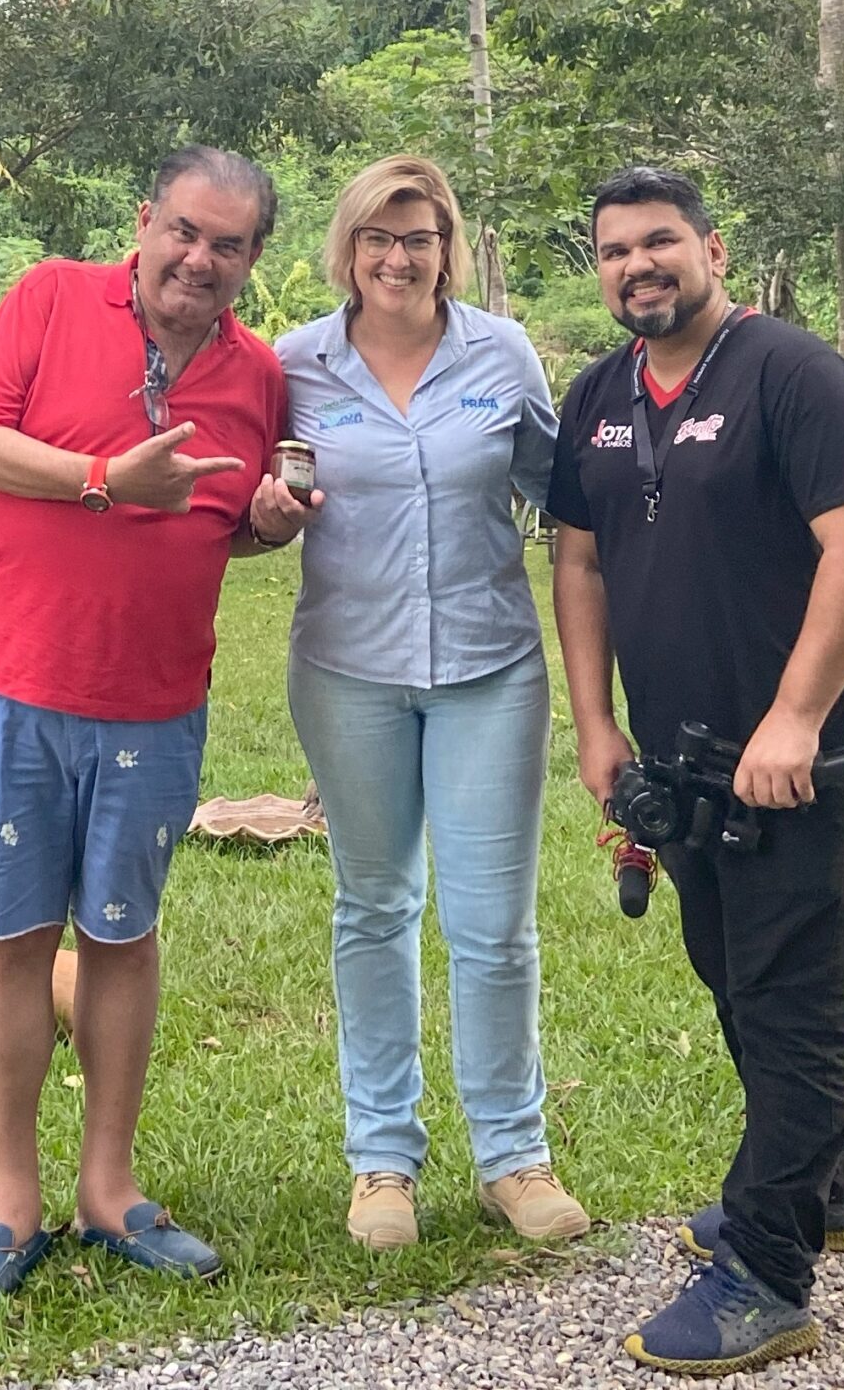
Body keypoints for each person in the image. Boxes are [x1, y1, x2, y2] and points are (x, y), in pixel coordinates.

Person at [546, 166, 844, 1376]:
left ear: (710, 247)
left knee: (792, 996)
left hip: (798, 760)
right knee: (732, 976)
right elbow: (581, 565)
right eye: (613, 252)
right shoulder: (596, 395)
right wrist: (596, 727)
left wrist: (795, 718)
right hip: (680, 762)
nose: (637, 266)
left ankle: (765, 1269)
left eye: (659, 243)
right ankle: (824, 1180)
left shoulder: (791, 374)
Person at [0, 146, 291, 1308]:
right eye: (184, 230)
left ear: (249, 261)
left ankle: (109, 1190)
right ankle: (8, 1201)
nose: (199, 258)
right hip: (5, 685)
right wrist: (99, 479)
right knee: (11, 939)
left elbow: (218, 521)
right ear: (144, 221)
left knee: (122, 937)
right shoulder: (45, 295)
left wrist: (272, 524)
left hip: (153, 701)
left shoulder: (256, 373)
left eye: (226, 245)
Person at [250, 155, 590, 1254]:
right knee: (374, 906)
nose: (398, 259)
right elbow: (254, 502)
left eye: (420, 238)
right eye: (377, 239)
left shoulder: (501, 352)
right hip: (348, 670)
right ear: (345, 250)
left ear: (449, 246)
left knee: (491, 928)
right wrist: (265, 510)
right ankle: (381, 1162)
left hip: (491, 667)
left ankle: (512, 1157)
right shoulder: (293, 364)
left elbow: (562, 494)